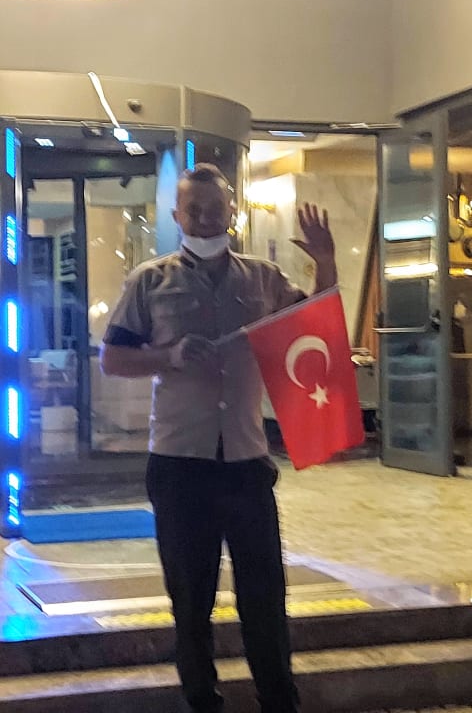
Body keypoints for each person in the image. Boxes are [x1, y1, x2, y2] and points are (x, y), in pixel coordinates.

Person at [100, 163, 337, 713]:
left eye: (216, 208)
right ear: (177, 215)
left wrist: (325, 262)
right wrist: (169, 356)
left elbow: (313, 326)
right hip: (180, 465)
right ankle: (202, 702)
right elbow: (113, 359)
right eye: (195, 209)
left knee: (265, 598)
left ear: (232, 212)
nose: (206, 218)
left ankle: (279, 702)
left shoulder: (262, 279)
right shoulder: (149, 281)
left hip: (248, 464)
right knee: (191, 600)